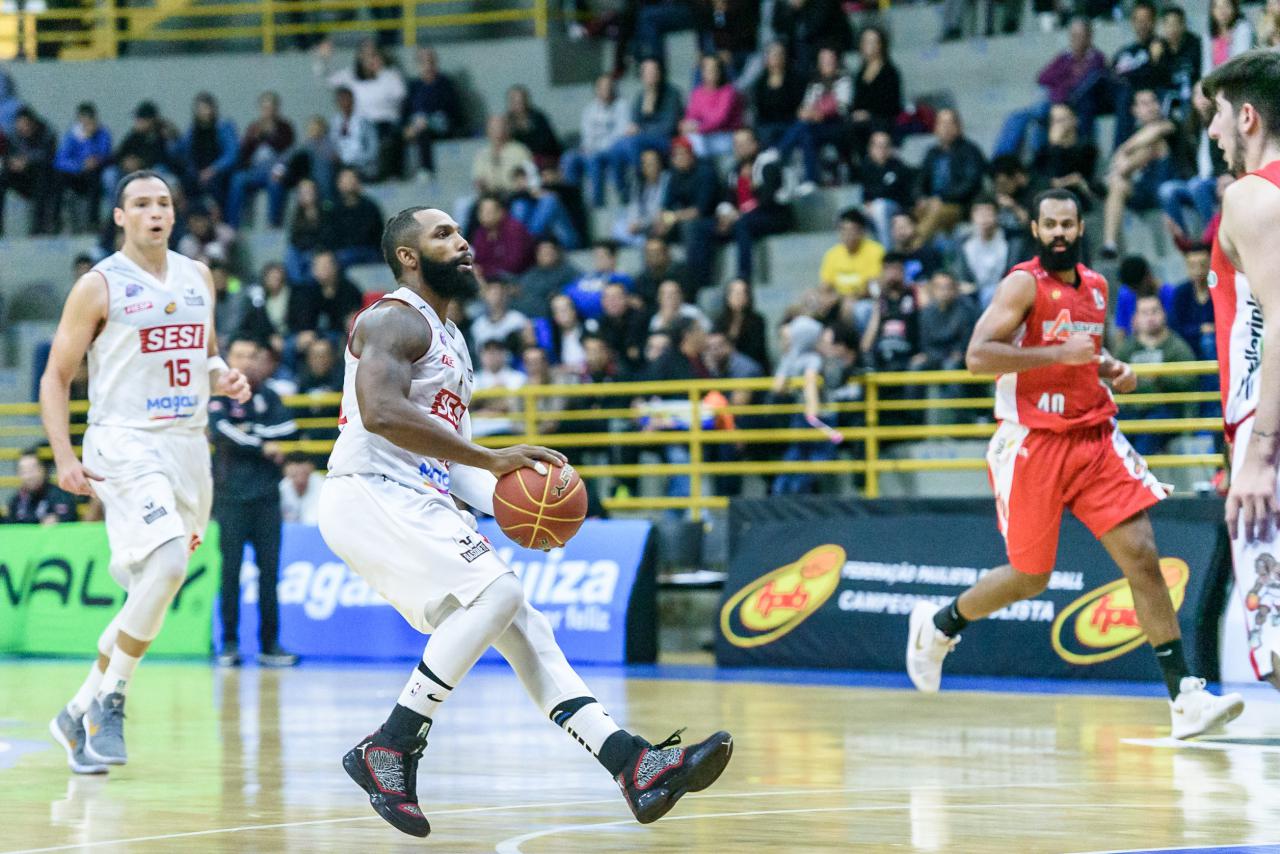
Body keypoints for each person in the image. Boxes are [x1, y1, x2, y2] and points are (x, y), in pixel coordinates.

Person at [317, 205, 733, 837]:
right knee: (500, 592)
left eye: (460, 233)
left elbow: (450, 461)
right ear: (408, 256)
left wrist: (521, 500)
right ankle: (393, 744)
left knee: (523, 624)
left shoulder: (452, 338)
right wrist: (491, 457)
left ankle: (633, 764)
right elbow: (378, 411)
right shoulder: (392, 318)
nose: (462, 244)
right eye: (443, 236)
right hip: (369, 491)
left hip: (416, 496)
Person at [905, 188, 1245, 736]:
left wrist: (1110, 368)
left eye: (1068, 224)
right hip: (1035, 443)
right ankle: (940, 624)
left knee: (1142, 557)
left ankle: (1185, 696)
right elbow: (977, 356)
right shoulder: (1022, 285)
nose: (1059, 232)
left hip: (1092, 438)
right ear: (1036, 231)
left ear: (1080, 227)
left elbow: (1083, 350)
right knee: (1030, 578)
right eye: (1050, 225)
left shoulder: (1096, 288)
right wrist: (1053, 356)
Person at [39, 170, 252, 775]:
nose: (154, 212)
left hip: (189, 448)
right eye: (141, 203)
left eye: (163, 202)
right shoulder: (98, 285)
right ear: (120, 216)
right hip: (125, 443)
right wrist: (62, 456)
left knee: (152, 591)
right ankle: (111, 701)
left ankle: (74, 712)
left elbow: (204, 352)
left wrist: (222, 376)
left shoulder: (197, 275)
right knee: (169, 563)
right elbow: (55, 377)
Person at [1202, 49, 1280, 688]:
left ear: (1248, 117)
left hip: (1268, 425)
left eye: (1218, 115)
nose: (1211, 132)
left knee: (1276, 643)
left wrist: (1258, 452)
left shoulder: (1251, 196)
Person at [210, 335, 299, 668]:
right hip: (230, 497)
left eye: (252, 354)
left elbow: (289, 429)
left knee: (269, 574)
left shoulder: (269, 396)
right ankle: (229, 644)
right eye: (239, 354)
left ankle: (269, 644)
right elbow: (221, 431)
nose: (245, 361)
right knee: (230, 573)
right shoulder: (220, 394)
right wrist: (262, 444)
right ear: (228, 358)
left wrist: (250, 432)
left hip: (266, 498)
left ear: (261, 359)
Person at [1113, 295, 1198, 455]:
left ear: (1163, 314)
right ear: (1135, 318)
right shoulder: (1127, 348)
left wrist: (1161, 377)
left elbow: (1189, 379)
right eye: (1144, 313)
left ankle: (1137, 473)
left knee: (1150, 429)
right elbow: (1111, 380)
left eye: (1154, 311)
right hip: (1132, 410)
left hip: (1166, 410)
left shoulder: (1177, 346)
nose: (1150, 317)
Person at [819, 207, 885, 301]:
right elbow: (825, 285)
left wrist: (848, 297)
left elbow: (873, 287)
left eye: (852, 230)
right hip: (839, 299)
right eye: (843, 230)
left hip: (864, 299)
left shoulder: (876, 251)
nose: (847, 235)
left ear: (861, 231)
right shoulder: (832, 254)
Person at [6, 450, 78, 525]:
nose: (29, 476)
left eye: (32, 470)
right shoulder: (15, 502)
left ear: (43, 469)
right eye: (24, 471)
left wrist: (58, 520)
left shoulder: (61, 495)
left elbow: (68, 519)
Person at [280, 452, 324, 525]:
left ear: (312, 467)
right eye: (294, 474)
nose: (299, 470)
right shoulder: (281, 488)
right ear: (285, 471)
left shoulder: (323, 486)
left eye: (304, 473)